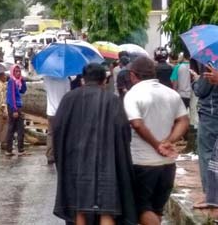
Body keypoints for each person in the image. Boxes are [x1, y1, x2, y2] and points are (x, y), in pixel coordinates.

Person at [53, 63, 136, 225]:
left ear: (83, 79)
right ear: (104, 80)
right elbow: (123, 130)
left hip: (75, 162)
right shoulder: (112, 100)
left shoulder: (69, 98)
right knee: (107, 209)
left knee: (79, 207)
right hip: (106, 163)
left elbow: (57, 129)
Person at [124, 57, 189, 225]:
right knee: (157, 209)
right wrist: (168, 141)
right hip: (167, 164)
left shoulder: (133, 95)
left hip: (142, 163)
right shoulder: (171, 93)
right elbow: (183, 120)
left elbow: (136, 124)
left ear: (132, 75)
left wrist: (157, 145)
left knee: (142, 209)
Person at [193, 64, 218, 210]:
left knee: (207, 153)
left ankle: (211, 196)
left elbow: (200, 90)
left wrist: (196, 80)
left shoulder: (212, 62)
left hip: (211, 115)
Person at [43, 76, 71, 165]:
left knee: (51, 133)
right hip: (62, 111)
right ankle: (62, 154)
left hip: (51, 111)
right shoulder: (66, 79)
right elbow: (68, 94)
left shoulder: (46, 78)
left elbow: (46, 89)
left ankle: (50, 155)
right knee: (63, 133)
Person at [5, 64, 28, 156]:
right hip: (13, 107)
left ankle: (20, 149)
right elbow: (11, 96)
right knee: (11, 128)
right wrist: (14, 110)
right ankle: (9, 150)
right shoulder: (11, 81)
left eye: (19, 71)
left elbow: (23, 90)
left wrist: (23, 80)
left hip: (18, 106)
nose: (18, 73)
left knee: (20, 128)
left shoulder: (18, 81)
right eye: (16, 71)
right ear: (12, 72)